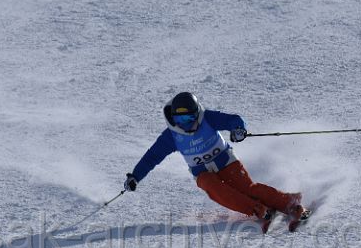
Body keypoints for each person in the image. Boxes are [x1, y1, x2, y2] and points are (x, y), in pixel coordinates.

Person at [124, 92, 306, 231]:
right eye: (180, 119)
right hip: (202, 173)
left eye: (189, 118)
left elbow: (233, 120)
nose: (185, 124)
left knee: (247, 189)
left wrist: (238, 129)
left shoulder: (207, 118)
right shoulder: (171, 135)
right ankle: (260, 210)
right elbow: (152, 157)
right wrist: (135, 177)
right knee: (217, 190)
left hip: (225, 161)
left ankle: (290, 203)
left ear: (197, 114)